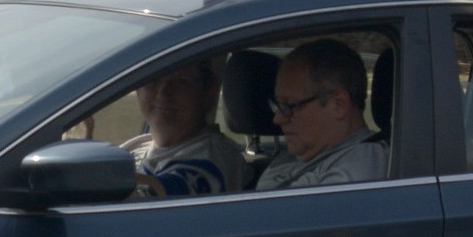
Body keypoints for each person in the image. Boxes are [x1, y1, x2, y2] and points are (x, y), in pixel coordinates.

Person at [256, 38, 388, 191]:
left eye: (289, 106)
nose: (277, 119)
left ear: (338, 105)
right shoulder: (296, 157)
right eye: (278, 105)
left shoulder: (362, 163)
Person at [124, 59, 246, 196]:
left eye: (180, 81)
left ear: (208, 93)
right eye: (152, 80)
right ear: (138, 90)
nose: (163, 92)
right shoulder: (138, 147)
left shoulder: (212, 157)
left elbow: (160, 199)